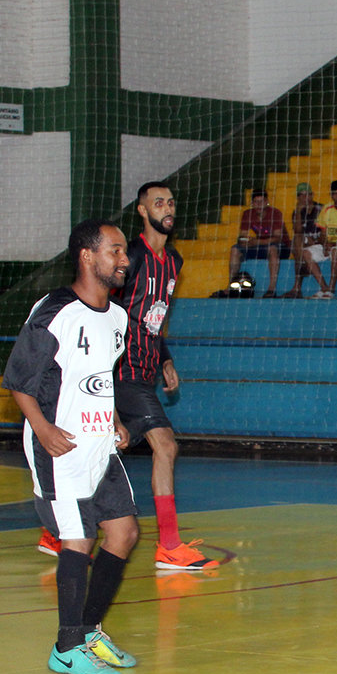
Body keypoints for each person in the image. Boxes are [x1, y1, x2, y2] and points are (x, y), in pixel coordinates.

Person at [6, 219, 144, 674]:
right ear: (88, 255)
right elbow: (19, 381)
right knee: (79, 539)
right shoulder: (53, 312)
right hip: (59, 445)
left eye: (124, 253)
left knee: (123, 532)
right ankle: (67, 647)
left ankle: (88, 632)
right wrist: (42, 430)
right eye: (116, 251)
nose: (124, 260)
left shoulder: (119, 318)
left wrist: (118, 422)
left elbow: (99, 382)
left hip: (101, 441)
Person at [118, 183, 215, 569]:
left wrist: (165, 358)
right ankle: (170, 547)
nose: (167, 208)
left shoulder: (173, 261)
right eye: (158, 203)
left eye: (171, 202)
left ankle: (58, 532)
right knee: (166, 446)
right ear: (142, 211)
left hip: (145, 367)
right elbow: (110, 311)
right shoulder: (130, 257)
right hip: (121, 368)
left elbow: (155, 317)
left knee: (103, 449)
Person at [230, 188, 287, 297]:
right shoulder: (247, 214)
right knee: (235, 249)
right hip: (260, 245)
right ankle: (231, 285)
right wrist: (244, 241)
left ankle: (271, 288)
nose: (259, 205)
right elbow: (242, 235)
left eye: (261, 201)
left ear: (267, 202)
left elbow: (278, 238)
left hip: (280, 247)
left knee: (272, 249)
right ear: (252, 203)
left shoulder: (275, 213)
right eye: (256, 202)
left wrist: (257, 242)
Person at [290, 182, 331, 299]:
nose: (304, 198)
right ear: (298, 198)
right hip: (306, 244)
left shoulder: (321, 209)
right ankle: (302, 266)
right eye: (301, 195)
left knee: (299, 246)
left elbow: (327, 232)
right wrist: (298, 211)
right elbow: (297, 230)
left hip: (321, 243)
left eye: (307, 194)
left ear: (312, 195)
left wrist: (316, 241)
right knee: (297, 240)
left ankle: (297, 286)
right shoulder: (297, 212)